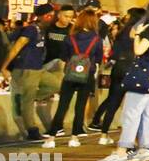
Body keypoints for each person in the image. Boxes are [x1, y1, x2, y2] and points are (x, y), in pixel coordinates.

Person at [97, 0, 149, 161]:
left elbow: (139, 50)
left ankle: (121, 151)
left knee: (131, 112)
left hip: (145, 72)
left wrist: (139, 34)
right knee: (147, 111)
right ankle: (144, 149)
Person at [44, 9, 104, 147]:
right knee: (80, 105)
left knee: (63, 105)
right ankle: (74, 137)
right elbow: (99, 58)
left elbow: (64, 56)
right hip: (87, 74)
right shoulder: (96, 39)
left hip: (70, 74)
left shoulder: (70, 37)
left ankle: (51, 138)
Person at [0, 2, 58, 142]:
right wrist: (4, 67)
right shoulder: (31, 29)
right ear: (45, 16)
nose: (53, 19)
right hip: (26, 69)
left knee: (56, 84)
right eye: (51, 16)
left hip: (38, 69)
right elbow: (17, 47)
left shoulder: (41, 30)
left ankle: (31, 100)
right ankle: (32, 130)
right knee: (28, 100)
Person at [90, 7, 143, 145]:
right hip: (132, 67)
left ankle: (104, 134)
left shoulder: (122, 31)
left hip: (119, 66)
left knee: (113, 100)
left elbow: (115, 52)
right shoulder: (139, 30)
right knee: (133, 104)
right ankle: (131, 138)